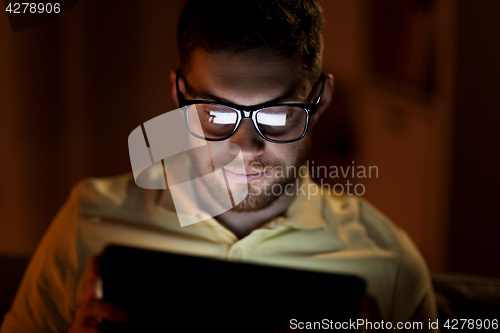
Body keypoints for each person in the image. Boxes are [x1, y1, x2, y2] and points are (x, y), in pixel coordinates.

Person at [1, 0, 439, 332]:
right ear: (178, 94)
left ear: (319, 100)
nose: (245, 147)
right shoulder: (88, 219)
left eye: (275, 114)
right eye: (215, 113)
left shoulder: (391, 264)